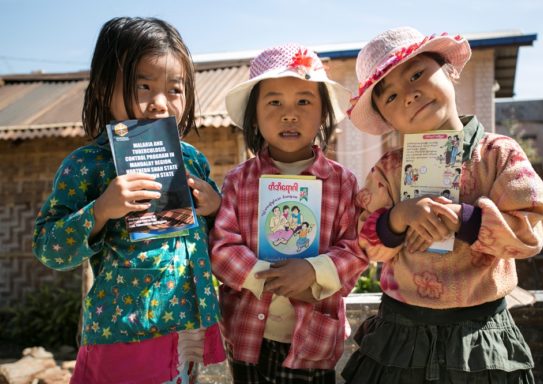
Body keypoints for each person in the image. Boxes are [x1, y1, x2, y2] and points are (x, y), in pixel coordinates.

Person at [341, 27, 543, 383]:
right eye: (390, 96)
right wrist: (396, 219)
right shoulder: (388, 172)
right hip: (400, 338)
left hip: (481, 339)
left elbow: (530, 231)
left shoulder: (499, 155)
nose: (408, 95)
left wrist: (466, 220)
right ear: (386, 119)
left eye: (417, 74)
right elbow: (365, 245)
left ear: (449, 70)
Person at [32, 17, 224, 383]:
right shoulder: (86, 166)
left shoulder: (194, 160)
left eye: (174, 89)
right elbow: (49, 249)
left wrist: (216, 208)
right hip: (124, 333)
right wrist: (101, 210)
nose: (160, 103)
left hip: (188, 328)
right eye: (143, 87)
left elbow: (220, 238)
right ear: (105, 89)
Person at [210, 44, 367, 384]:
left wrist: (312, 272)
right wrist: (270, 276)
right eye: (275, 101)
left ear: (324, 112)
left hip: (313, 343)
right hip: (247, 337)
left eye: (304, 101)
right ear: (254, 115)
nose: (289, 114)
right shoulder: (239, 180)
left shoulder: (342, 183)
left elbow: (356, 250)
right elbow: (222, 248)